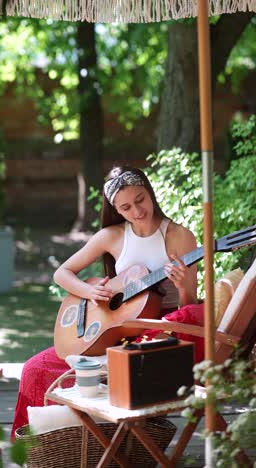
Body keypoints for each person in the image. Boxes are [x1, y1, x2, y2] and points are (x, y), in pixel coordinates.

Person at [11, 165, 204, 438]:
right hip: (114, 330)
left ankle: (98, 441)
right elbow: (62, 273)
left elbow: (190, 306)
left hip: (156, 332)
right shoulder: (113, 236)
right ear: (116, 209)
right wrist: (89, 292)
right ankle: (46, 451)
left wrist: (182, 285)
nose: (137, 211)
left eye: (140, 199)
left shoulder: (179, 236)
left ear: (150, 192)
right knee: (34, 369)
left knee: (116, 368)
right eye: (126, 207)